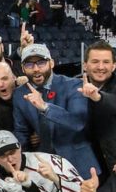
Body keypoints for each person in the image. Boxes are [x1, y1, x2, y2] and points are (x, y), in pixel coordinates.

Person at [12, 44, 97, 177]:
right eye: (29, 65)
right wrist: (22, 163)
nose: (35, 69)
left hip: (79, 164)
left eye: (41, 63)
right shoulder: (19, 94)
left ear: (51, 63)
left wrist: (45, 107)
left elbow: (78, 123)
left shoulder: (74, 85)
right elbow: (21, 132)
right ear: (22, 68)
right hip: (44, 166)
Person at [79, 41, 116, 174]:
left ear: (114, 66)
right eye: (95, 62)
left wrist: (97, 97)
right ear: (85, 65)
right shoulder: (75, 87)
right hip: (89, 165)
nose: (100, 67)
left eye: (105, 62)